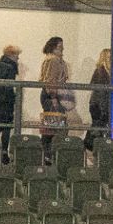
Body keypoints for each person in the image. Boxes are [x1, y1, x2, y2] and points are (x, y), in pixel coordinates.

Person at [38, 36, 73, 164]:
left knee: (54, 126)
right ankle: (47, 155)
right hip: (52, 96)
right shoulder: (53, 61)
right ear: (53, 47)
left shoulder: (57, 60)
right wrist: (53, 97)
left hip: (55, 95)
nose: (62, 48)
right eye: (59, 46)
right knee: (52, 127)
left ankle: (48, 154)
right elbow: (50, 80)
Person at [83, 48, 112, 153]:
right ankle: (90, 146)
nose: (111, 60)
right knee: (98, 126)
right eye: (109, 57)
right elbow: (100, 93)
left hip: (99, 104)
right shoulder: (101, 72)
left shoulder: (106, 71)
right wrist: (104, 109)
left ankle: (91, 146)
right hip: (99, 105)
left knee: (97, 126)